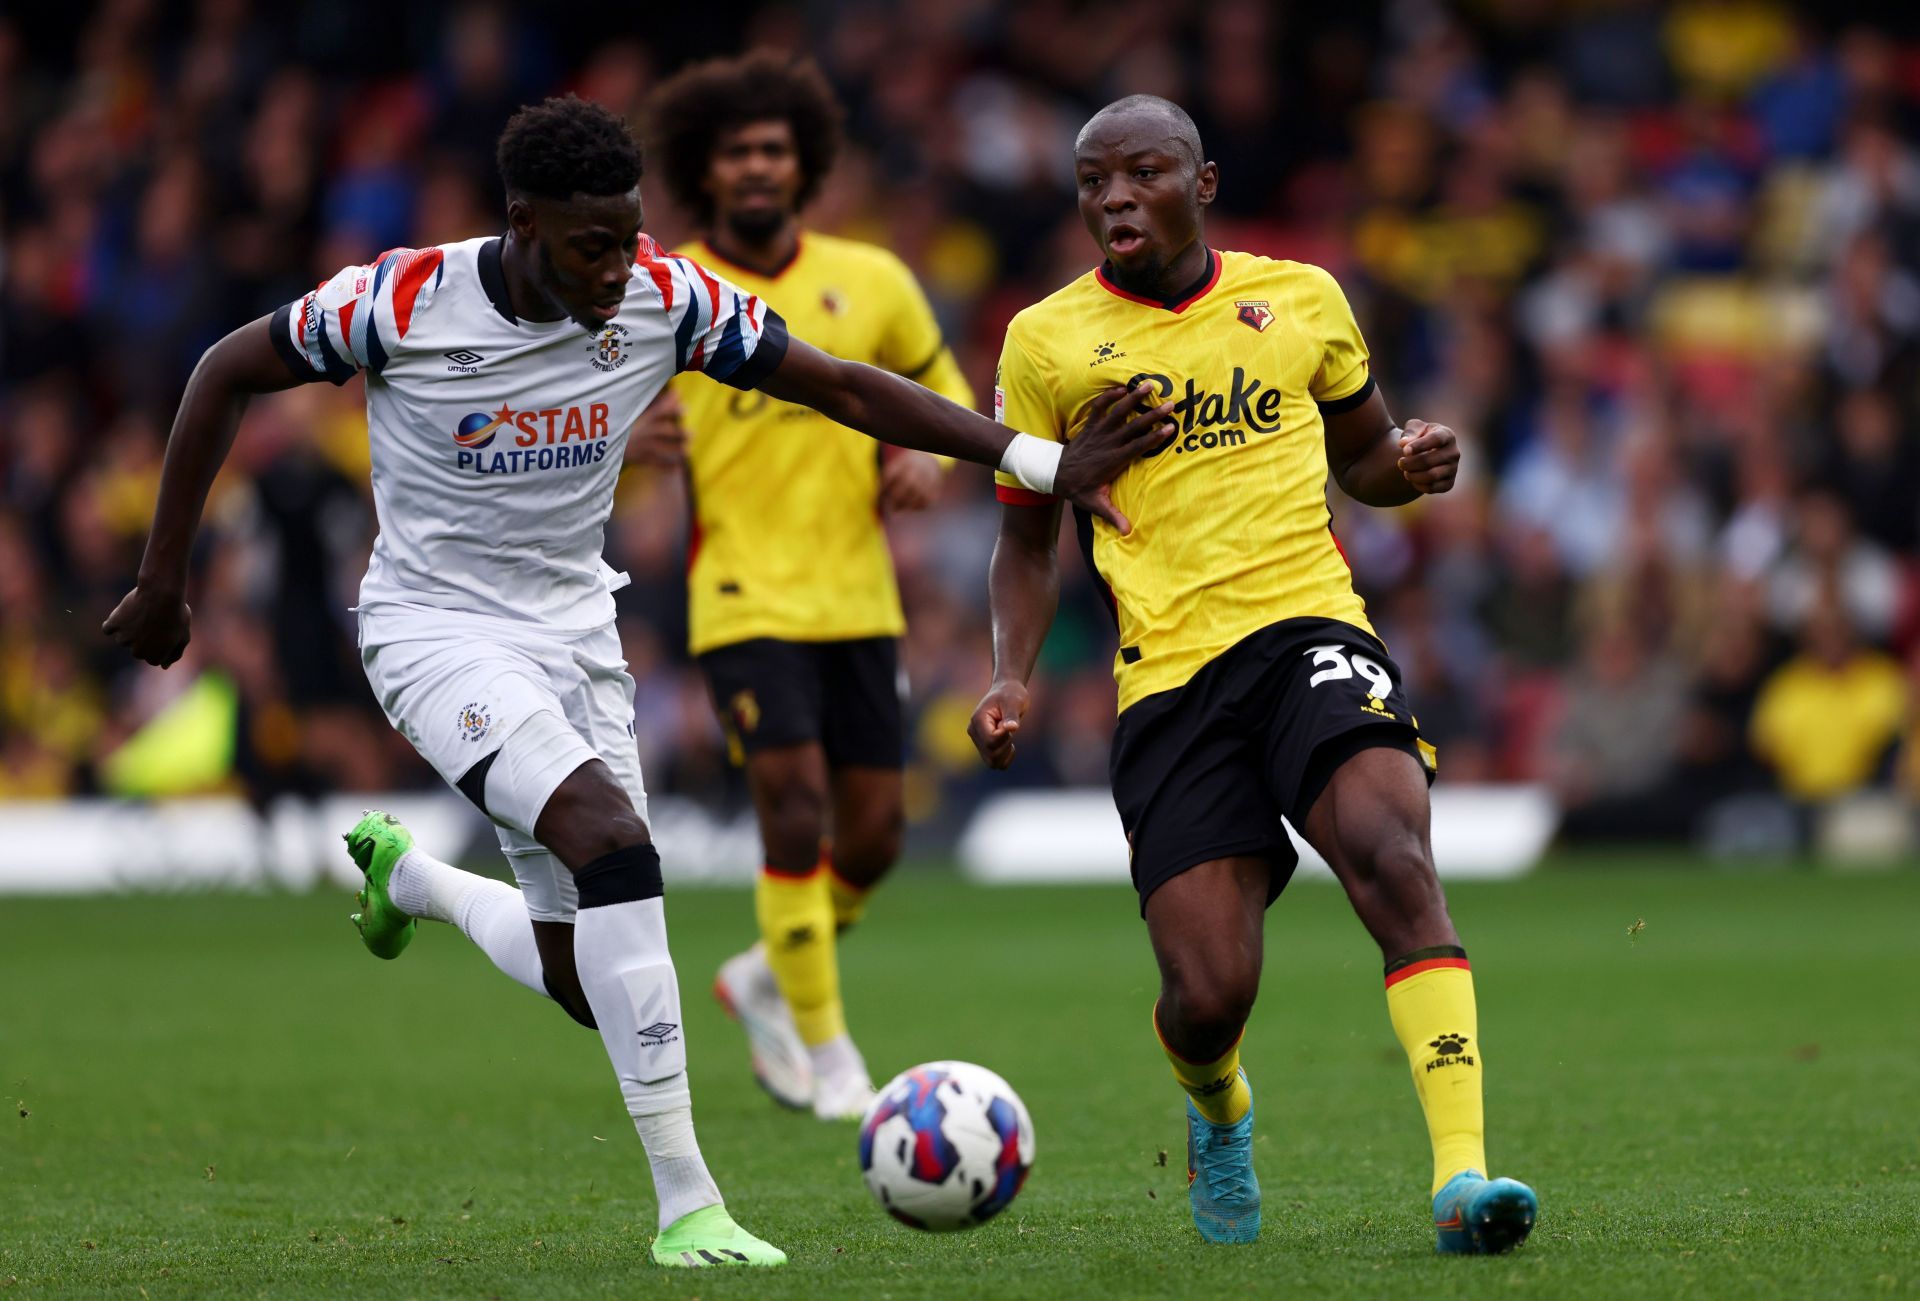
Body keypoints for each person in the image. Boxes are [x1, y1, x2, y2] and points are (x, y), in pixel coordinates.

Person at [103, 95, 1169, 1271]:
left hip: (576, 632)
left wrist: (1038, 458)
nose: (617, 269)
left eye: (628, 238)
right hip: (433, 630)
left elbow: (845, 388)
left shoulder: (665, 294)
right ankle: (689, 1204)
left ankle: (416, 884)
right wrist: (165, 578)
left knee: (585, 978)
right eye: (589, 246)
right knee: (615, 843)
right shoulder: (399, 299)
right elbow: (220, 370)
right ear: (522, 224)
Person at [966, 95, 1537, 1254]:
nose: (1113, 197)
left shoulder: (1304, 299)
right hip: (1169, 677)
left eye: (1140, 173)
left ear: (1203, 181)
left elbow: (1365, 459)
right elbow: (1026, 535)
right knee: (1209, 992)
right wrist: (1012, 676)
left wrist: (1412, 462)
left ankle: (1462, 1178)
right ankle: (1219, 1103)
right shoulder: (1045, 342)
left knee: (1392, 849)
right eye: (1092, 182)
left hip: (1307, 629)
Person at [630, 51, 972, 1121]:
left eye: (774, 148)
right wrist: (631, 433)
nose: (757, 167)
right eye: (736, 152)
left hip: (859, 596)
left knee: (872, 834)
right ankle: (831, 1055)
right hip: (740, 593)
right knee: (793, 805)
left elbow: (945, 384)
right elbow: (588, 403)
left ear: (805, 162)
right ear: (705, 167)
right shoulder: (664, 289)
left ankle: (771, 972)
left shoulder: (870, 279)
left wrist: (930, 455)